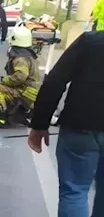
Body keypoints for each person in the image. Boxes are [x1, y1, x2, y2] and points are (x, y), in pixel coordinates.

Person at [28, 30, 104, 217]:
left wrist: (39, 124)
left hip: (80, 124)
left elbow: (55, 80)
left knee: (74, 191)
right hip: (82, 125)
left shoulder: (90, 41)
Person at [0, 26, 41, 128]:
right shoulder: (28, 55)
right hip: (32, 92)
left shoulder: (20, 58)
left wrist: (3, 80)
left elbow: (20, 76)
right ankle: (18, 114)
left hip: (25, 92)